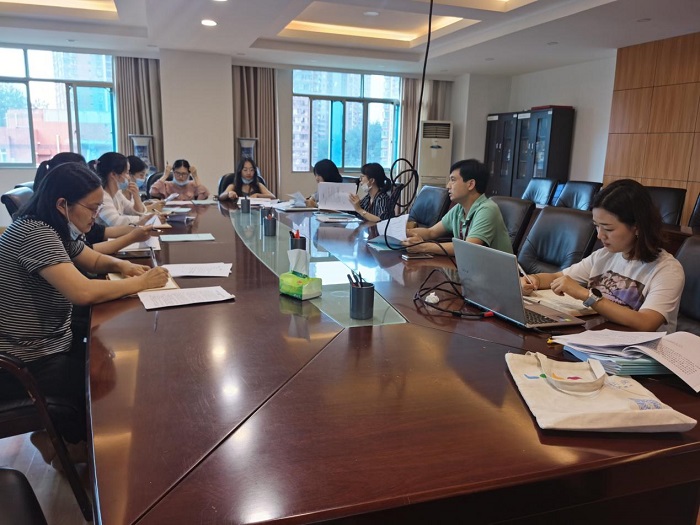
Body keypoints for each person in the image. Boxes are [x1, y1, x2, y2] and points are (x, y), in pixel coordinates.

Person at [0, 162, 169, 467]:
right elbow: (83, 292)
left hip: (49, 339)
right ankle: (65, 447)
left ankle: (63, 440)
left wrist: (122, 266)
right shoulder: (35, 234)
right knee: (107, 384)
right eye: (92, 208)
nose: (95, 215)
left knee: (110, 361)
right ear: (62, 205)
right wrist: (142, 283)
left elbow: (91, 260)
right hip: (25, 358)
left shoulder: (52, 226)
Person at [519, 179, 685, 332]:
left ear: (637, 227)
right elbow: (558, 277)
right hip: (599, 338)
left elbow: (646, 323)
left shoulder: (667, 270)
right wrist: (533, 280)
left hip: (636, 350)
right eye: (597, 226)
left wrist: (587, 295)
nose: (600, 235)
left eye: (608, 228)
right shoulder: (604, 256)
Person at [36, 152, 156, 254]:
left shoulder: (68, 223)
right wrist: (133, 235)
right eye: (92, 208)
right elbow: (89, 255)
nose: (97, 214)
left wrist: (139, 228)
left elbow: (93, 248)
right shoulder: (42, 233)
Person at [402, 159, 512, 256]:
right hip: (472, 268)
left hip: (496, 271)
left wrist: (423, 247)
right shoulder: (459, 208)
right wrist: (404, 232)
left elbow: (468, 248)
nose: (448, 186)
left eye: (453, 180)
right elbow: (431, 232)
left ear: (470, 184)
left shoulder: (487, 209)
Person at [95, 152, 153, 227]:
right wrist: (144, 219)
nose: (128, 177)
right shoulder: (102, 197)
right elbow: (116, 222)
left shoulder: (117, 194)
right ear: (113, 174)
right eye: (127, 173)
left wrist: (136, 197)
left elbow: (137, 212)